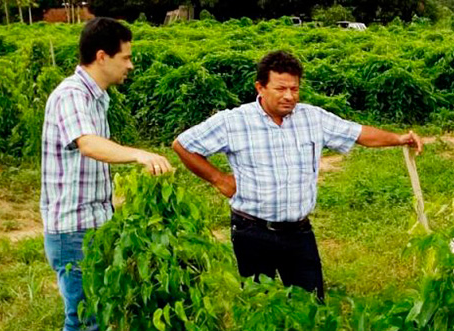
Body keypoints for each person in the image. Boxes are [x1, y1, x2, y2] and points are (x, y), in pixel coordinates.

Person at [172, 50, 423, 299]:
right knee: (260, 306)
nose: (289, 96)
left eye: (294, 89)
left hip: (298, 232)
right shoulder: (233, 122)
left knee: (312, 305)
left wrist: (399, 139)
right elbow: (183, 145)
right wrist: (219, 179)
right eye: (281, 89)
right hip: (252, 231)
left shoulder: (312, 118)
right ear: (260, 87)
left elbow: (357, 133)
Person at [41, 17, 173, 331]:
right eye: (126, 57)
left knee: (93, 315)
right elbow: (88, 144)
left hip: (95, 224)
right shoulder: (71, 96)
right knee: (82, 322)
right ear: (102, 57)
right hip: (73, 230)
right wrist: (137, 155)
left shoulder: (99, 97)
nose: (130, 65)